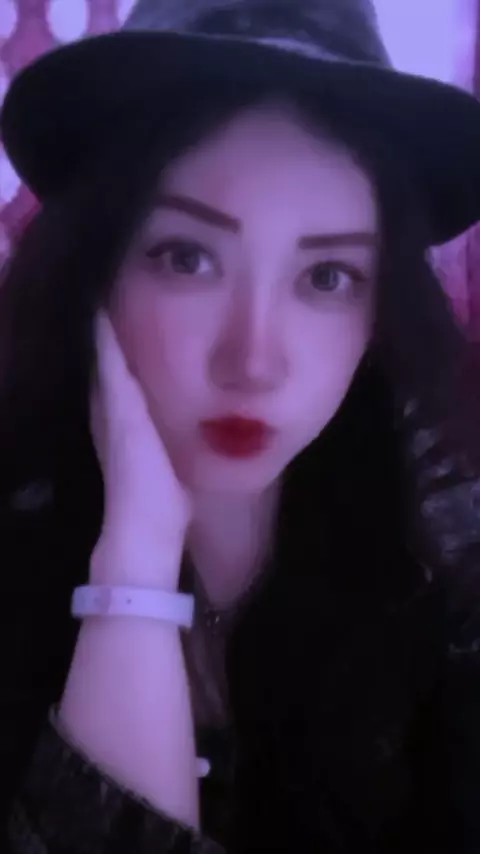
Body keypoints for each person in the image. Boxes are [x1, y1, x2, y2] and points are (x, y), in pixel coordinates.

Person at [1, 0, 480, 851]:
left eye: (327, 277)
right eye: (188, 258)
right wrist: (134, 565)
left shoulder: (446, 554)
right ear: (97, 269)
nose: (254, 361)